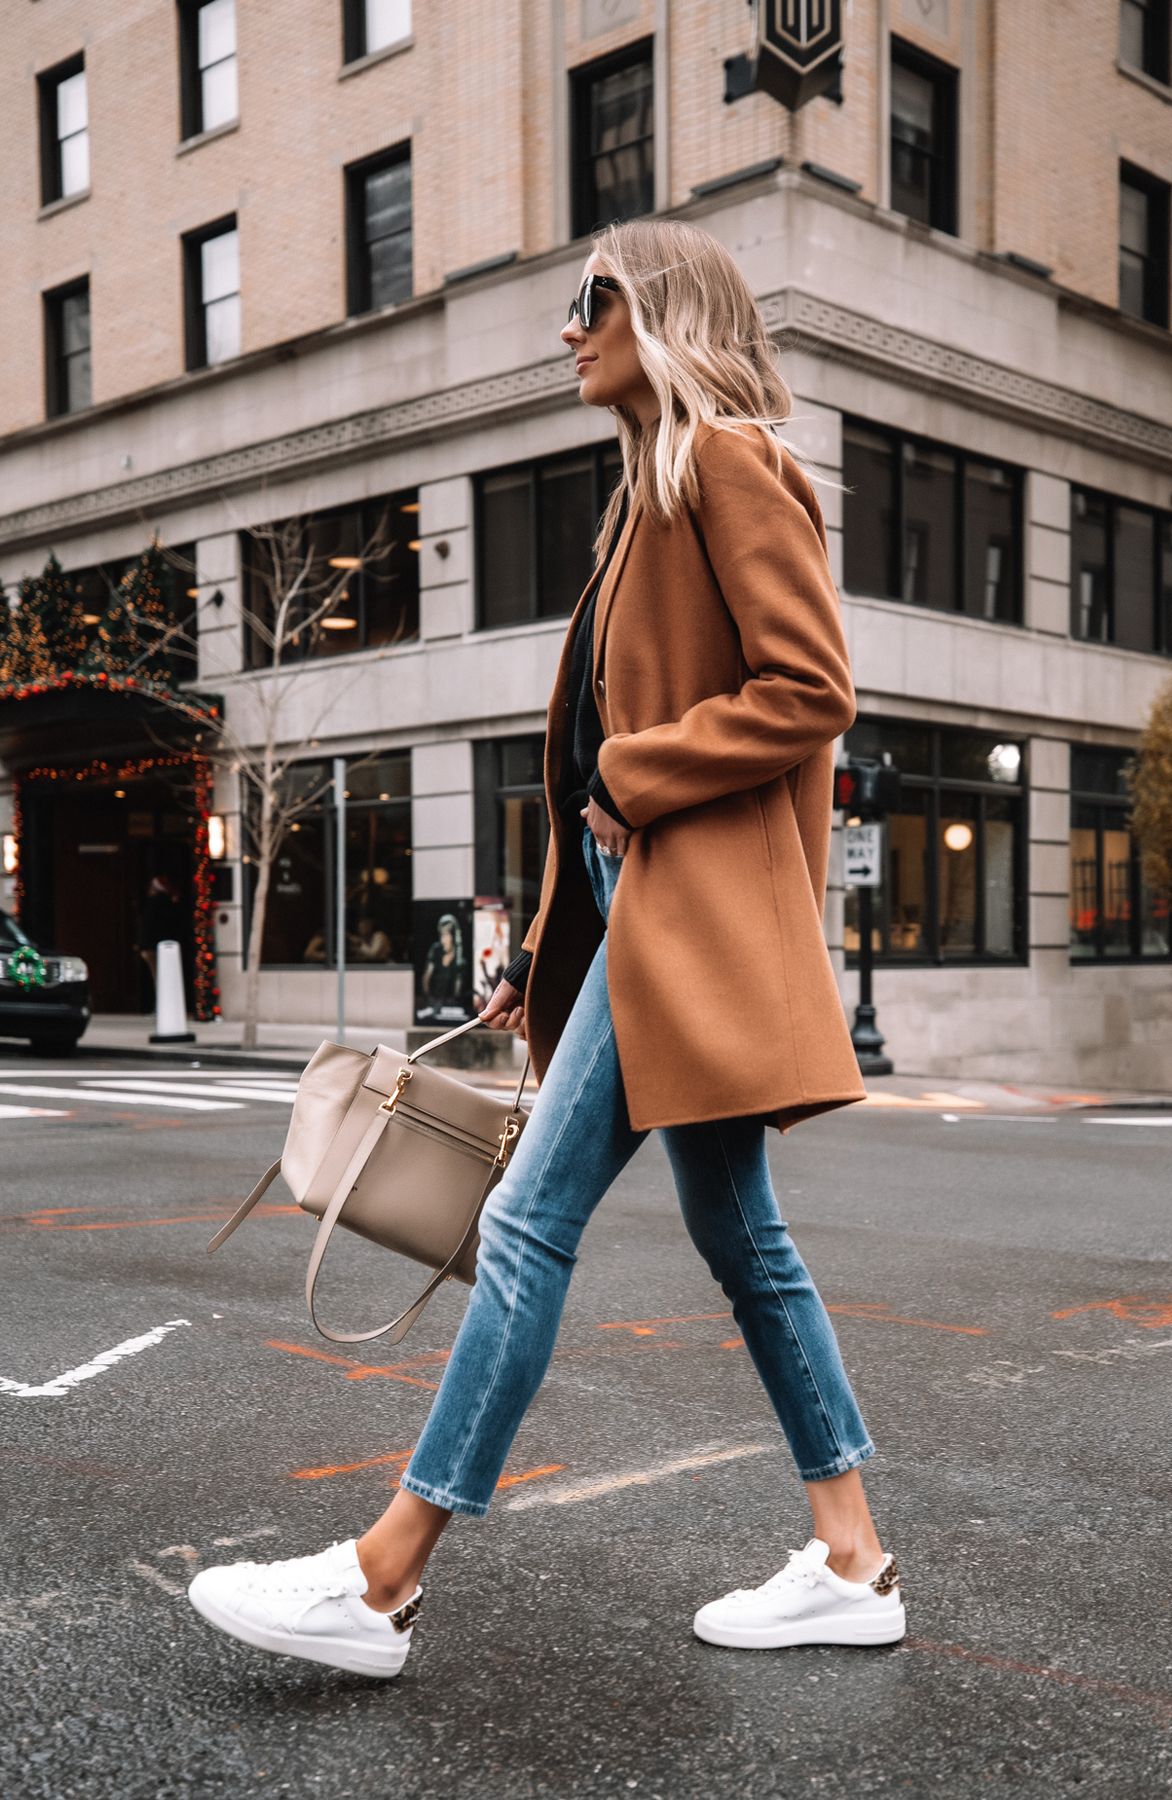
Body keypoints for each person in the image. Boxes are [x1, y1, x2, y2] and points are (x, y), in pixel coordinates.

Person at [188, 218, 902, 1679]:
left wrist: (640, 778)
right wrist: (545, 934)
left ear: (665, 312)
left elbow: (811, 685)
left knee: (525, 1227)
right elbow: (593, 757)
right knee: (741, 1237)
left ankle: (382, 1580)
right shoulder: (635, 504)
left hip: (686, 915)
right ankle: (850, 1555)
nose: (565, 330)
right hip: (634, 912)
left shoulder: (727, 464)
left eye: (590, 302)